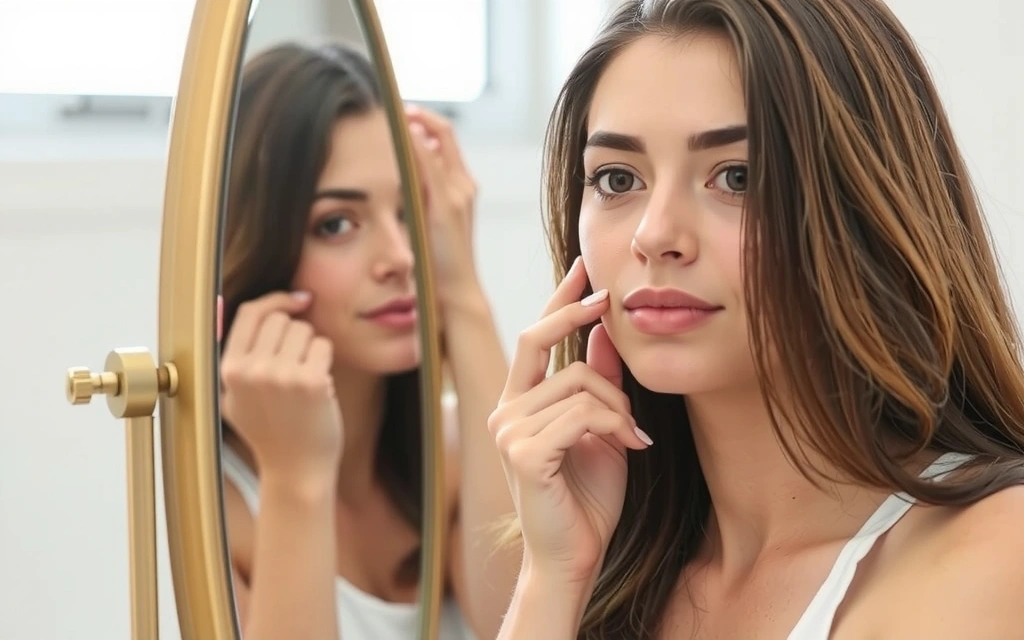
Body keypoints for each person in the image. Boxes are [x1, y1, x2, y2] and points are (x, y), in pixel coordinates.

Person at [488, 0, 1024, 638]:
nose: (656, 235)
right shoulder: (618, 570)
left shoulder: (992, 553)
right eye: (616, 179)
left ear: (866, 205)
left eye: (736, 176)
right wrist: (551, 581)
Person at [217, 42, 513, 639]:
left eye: (410, 213)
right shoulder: (219, 510)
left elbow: (527, 618)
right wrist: (296, 479)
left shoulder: (453, 456)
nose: (399, 259)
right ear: (263, 248)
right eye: (337, 224)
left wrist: (463, 297)